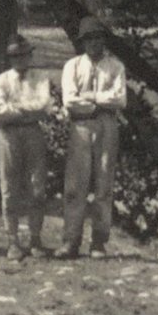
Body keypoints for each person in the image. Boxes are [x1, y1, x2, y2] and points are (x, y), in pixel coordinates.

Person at [59, 16, 127, 259]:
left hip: (107, 125)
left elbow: (120, 99)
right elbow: (69, 100)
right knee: (75, 185)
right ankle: (70, 240)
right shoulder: (73, 66)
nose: (93, 43)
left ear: (103, 40)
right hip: (81, 128)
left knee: (104, 183)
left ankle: (98, 241)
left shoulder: (115, 67)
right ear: (82, 42)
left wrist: (89, 98)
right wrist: (99, 100)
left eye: (97, 38)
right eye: (88, 39)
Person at [0, 35, 54, 261]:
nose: (20, 59)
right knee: (9, 187)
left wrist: (15, 107)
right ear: (10, 58)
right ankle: (13, 241)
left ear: (30, 56)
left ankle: (35, 238)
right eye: (15, 56)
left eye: (24, 55)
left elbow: (45, 105)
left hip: (33, 133)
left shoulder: (40, 78)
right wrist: (27, 110)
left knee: (37, 187)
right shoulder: (1, 81)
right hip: (8, 135)